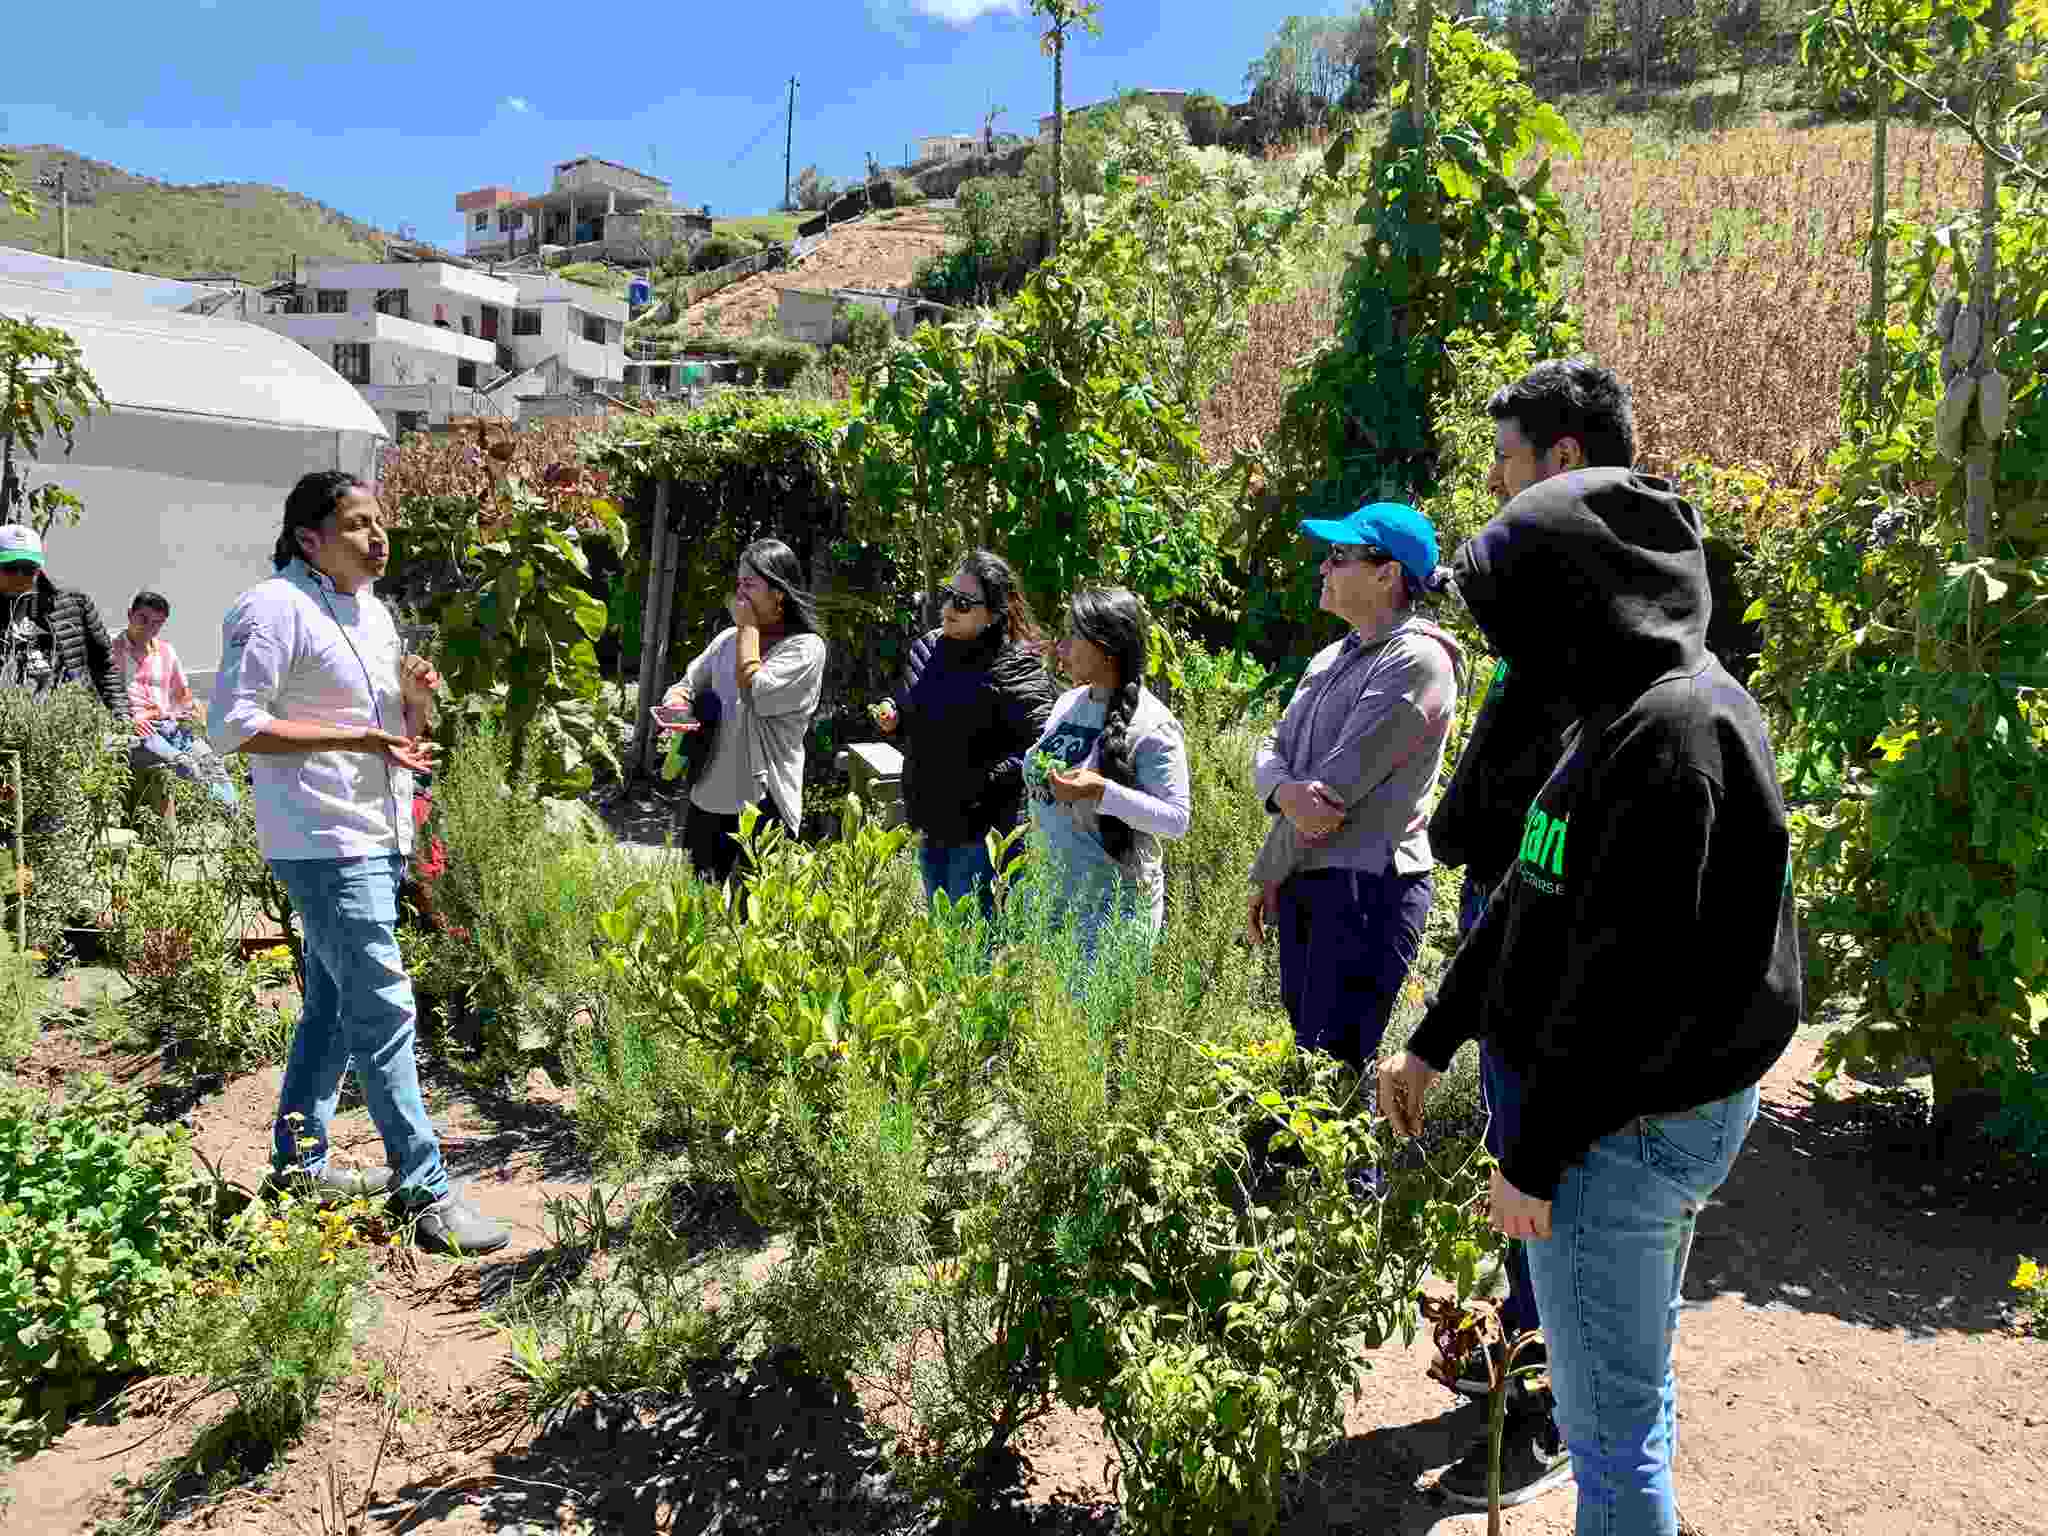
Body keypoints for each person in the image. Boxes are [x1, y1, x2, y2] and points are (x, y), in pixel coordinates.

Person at [1376, 442, 1804, 1536]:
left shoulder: (1676, 738)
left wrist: (1534, 1157)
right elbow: (1531, 892)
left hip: (1622, 1131)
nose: (1505, 645)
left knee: (1605, 1442)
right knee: (1624, 1400)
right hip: (1607, 1119)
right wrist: (1434, 1039)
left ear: (1579, 600)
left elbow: (1624, 981)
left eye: (1517, 612)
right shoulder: (1614, 711)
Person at [1422, 359, 1627, 1509]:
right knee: (1517, 1159)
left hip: (1544, 930)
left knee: (1546, 1171)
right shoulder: (1569, 589)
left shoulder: (1603, 616)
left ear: (1558, 459)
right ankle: (1521, 1359)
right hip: (1508, 908)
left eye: (1504, 458)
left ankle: (1546, 1411)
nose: (1492, 482)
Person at [210, 470, 508, 1257]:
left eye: (381, 524)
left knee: (336, 1010)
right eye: (357, 525)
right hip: (320, 837)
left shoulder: (372, 611)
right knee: (383, 1008)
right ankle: (427, 1190)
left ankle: (300, 1163)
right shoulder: (271, 608)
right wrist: (363, 740)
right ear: (310, 538)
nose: (378, 539)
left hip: (373, 831)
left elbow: (390, 730)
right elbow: (235, 726)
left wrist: (414, 706)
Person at [1246, 502, 1460, 1074]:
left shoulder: (1417, 660)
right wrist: (1282, 793)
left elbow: (1332, 798)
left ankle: (1349, 1172)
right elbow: (1271, 747)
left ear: (1387, 573)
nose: (1324, 568)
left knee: (1336, 1075)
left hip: (1367, 889)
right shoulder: (1330, 656)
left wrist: (1270, 864)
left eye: (1340, 556)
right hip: (1312, 878)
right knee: (1308, 1071)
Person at [875, 550, 1058, 921]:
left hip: (984, 836)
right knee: (945, 947)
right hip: (930, 826)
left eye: (962, 603)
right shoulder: (926, 651)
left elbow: (1043, 747)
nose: (948, 609)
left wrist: (984, 780)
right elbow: (915, 720)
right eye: (947, 596)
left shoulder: (1015, 665)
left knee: (978, 956)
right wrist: (895, 720)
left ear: (992, 614)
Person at [1025, 586, 1191, 954]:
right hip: (1052, 903)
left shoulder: (1152, 725)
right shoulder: (1068, 703)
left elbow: (1176, 820)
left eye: (1072, 636)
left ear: (1105, 647)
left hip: (1111, 915)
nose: (1061, 647)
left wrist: (1101, 792)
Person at [659, 538, 828, 886]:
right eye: (738, 584)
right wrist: (677, 704)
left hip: (763, 804)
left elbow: (755, 689)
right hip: (708, 796)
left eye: (749, 584)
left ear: (779, 593)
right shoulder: (726, 640)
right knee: (697, 910)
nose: (740, 593)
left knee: (751, 921)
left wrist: (747, 627)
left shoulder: (806, 649)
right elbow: (686, 685)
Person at [113, 590, 240, 821]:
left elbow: (182, 694)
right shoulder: (110, 652)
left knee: (212, 763)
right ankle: (220, 817)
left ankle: (235, 821)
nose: (149, 628)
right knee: (187, 765)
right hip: (140, 730)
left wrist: (192, 712)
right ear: (130, 615)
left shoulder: (166, 651)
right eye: (143, 619)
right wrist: (128, 720)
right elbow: (97, 697)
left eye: (157, 624)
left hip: (171, 726)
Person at [0, 523, 128, 716]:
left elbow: (104, 663)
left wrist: (122, 714)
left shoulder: (74, 603)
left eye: (28, 568)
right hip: (11, 725)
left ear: (39, 567)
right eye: (10, 567)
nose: (19, 575)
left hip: (67, 723)